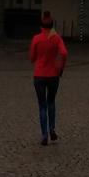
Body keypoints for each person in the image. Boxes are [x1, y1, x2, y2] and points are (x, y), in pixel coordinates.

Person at [28, 10, 68, 146]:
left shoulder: (36, 39)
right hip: (53, 75)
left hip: (39, 75)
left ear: (41, 25)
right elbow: (64, 52)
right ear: (52, 25)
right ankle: (52, 128)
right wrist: (60, 67)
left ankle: (44, 134)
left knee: (42, 105)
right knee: (51, 102)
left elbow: (32, 58)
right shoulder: (56, 38)